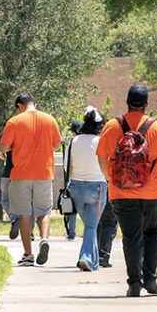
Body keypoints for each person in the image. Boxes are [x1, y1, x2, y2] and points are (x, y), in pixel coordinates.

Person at [96, 83, 157, 297]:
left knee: (131, 236)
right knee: (152, 233)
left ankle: (134, 283)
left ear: (127, 102)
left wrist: (111, 178)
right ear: (147, 105)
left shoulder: (112, 126)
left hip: (122, 193)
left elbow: (102, 158)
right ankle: (150, 279)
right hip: (153, 192)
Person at [0, 92, 62, 267]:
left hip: (20, 175)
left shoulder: (14, 121)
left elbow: (4, 147)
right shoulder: (50, 120)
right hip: (44, 173)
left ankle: (28, 254)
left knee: (24, 215)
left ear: (20, 106)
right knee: (44, 212)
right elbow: (57, 144)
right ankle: (44, 239)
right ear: (35, 103)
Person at [67, 106, 107, 271]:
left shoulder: (74, 141)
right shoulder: (100, 141)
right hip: (96, 187)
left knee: (90, 225)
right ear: (99, 126)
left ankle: (93, 263)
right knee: (91, 227)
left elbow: (67, 166)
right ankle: (85, 258)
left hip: (76, 187)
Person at [64, 120, 82, 240]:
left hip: (74, 179)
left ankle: (71, 232)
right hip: (91, 180)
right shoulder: (94, 141)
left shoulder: (72, 143)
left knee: (72, 209)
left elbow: (66, 164)